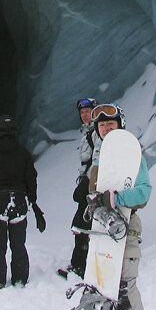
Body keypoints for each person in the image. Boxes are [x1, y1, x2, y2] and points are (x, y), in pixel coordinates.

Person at [89, 102, 152, 310]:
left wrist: (115, 200)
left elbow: (144, 192)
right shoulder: (99, 158)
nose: (106, 129)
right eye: (101, 125)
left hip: (127, 227)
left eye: (110, 124)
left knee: (124, 286)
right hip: (103, 229)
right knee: (102, 284)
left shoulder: (133, 157)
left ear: (120, 126)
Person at [0, 114, 45, 287]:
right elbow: (31, 177)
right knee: (18, 244)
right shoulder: (23, 153)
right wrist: (32, 199)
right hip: (19, 201)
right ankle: (20, 279)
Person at [58, 97, 98, 279]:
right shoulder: (88, 132)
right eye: (82, 112)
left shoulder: (97, 132)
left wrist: (86, 184)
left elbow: (97, 161)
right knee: (83, 225)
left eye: (87, 111)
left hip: (91, 187)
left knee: (82, 225)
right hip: (87, 183)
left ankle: (79, 266)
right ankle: (82, 264)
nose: (84, 115)